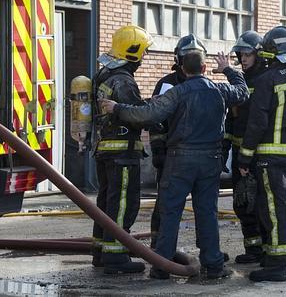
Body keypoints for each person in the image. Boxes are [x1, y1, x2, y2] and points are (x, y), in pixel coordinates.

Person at [100, 45, 248, 280]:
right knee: (207, 212)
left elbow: (147, 115)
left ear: (181, 68)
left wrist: (117, 108)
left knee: (171, 213)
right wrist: (228, 69)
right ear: (205, 67)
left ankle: (162, 267)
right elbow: (242, 91)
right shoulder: (220, 90)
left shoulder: (177, 93)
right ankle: (214, 266)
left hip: (180, 160)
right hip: (211, 159)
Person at [237, 26, 286, 282]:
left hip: (271, 157)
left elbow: (257, 123)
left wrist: (245, 156)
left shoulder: (267, 80)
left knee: (274, 207)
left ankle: (278, 265)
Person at [91, 24, 153, 274]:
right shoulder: (124, 81)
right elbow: (135, 115)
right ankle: (116, 257)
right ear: (133, 51)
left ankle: (100, 252)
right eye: (143, 52)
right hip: (123, 153)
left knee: (106, 202)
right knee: (123, 203)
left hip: (105, 149)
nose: (144, 57)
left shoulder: (103, 74)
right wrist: (154, 112)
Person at [222, 31, 267, 263]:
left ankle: (266, 248)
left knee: (260, 203)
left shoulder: (265, 80)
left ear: (258, 54)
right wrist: (226, 149)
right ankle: (253, 249)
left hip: (260, 155)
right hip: (241, 154)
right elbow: (232, 119)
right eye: (241, 55)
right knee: (242, 203)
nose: (243, 59)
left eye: (247, 54)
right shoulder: (242, 81)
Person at [148, 35, 195, 249]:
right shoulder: (166, 84)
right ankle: (159, 244)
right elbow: (155, 120)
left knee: (204, 206)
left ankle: (207, 250)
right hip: (171, 154)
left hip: (195, 153)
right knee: (165, 204)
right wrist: (158, 150)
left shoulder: (203, 85)